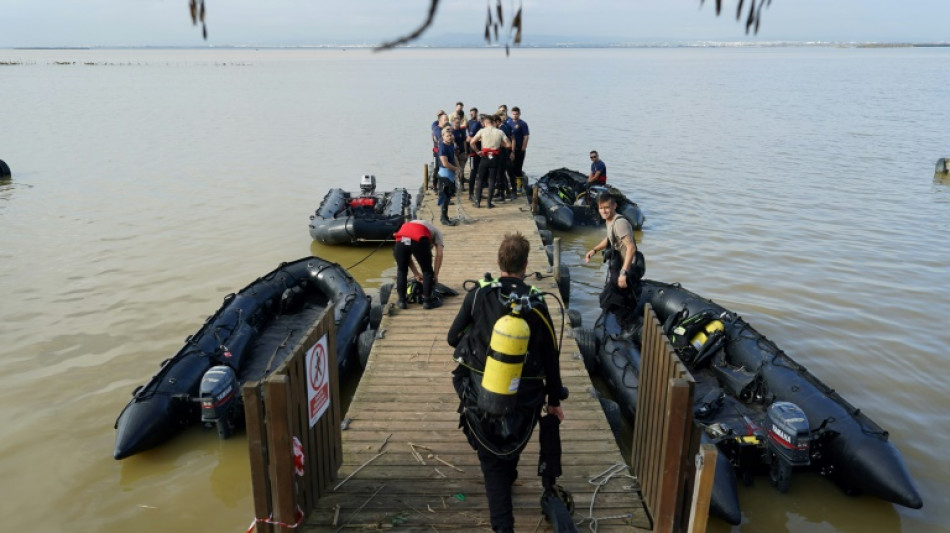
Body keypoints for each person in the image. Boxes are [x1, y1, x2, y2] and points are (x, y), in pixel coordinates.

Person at [447, 232, 565, 533]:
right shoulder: (536, 301)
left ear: (499, 262)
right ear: (525, 265)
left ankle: (503, 526)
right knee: (509, 445)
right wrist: (554, 402)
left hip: (480, 395)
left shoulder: (478, 295)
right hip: (524, 400)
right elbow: (550, 356)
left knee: (493, 466)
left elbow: (451, 338)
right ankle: (508, 470)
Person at [584, 191, 643, 314]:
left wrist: (623, 273)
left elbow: (631, 248)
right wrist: (594, 250)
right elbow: (609, 238)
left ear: (614, 206)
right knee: (608, 297)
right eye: (601, 208)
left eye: (606, 208)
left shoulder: (620, 223)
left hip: (628, 267)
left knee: (610, 299)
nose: (603, 211)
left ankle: (626, 322)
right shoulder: (609, 221)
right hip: (620, 264)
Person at [393, 219, 445, 310]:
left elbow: (407, 256)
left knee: (401, 270)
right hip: (419, 239)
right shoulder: (437, 232)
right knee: (427, 271)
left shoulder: (409, 223)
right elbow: (439, 254)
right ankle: (427, 302)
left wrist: (416, 274)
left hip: (401, 239)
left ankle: (402, 301)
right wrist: (435, 275)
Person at [469, 114, 511, 209]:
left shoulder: (482, 131)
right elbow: (509, 145)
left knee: (480, 180)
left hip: (484, 156)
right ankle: (489, 203)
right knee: (492, 180)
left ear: (485, 123)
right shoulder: (500, 132)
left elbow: (472, 142)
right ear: (493, 122)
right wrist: (500, 143)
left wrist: (477, 151)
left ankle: (477, 202)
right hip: (495, 157)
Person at [437, 127, 460, 226]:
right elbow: (445, 163)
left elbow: (454, 156)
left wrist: (458, 166)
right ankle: (443, 218)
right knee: (445, 196)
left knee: (449, 195)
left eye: (451, 135)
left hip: (450, 174)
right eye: (447, 136)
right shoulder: (442, 147)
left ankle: (446, 216)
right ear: (443, 136)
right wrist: (456, 169)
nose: (450, 137)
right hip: (444, 174)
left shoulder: (450, 144)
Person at [507, 106, 529, 197]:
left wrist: (523, 148)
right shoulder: (508, 123)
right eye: (513, 114)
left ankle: (519, 187)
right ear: (511, 114)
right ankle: (512, 186)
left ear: (519, 114)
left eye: (516, 114)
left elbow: (526, 136)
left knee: (518, 169)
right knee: (510, 168)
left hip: (519, 149)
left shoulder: (523, 124)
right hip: (510, 150)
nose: (515, 116)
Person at [466, 107, 482, 199]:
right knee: (473, 171)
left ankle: (478, 192)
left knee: (480, 172)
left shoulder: (483, 126)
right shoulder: (475, 125)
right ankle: (470, 194)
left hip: (481, 152)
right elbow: (469, 139)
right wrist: (478, 139)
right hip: (474, 151)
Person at [450, 114, 468, 191]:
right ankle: (454, 185)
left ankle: (461, 184)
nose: (457, 123)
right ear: (453, 122)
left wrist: (466, 151)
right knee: (455, 170)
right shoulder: (451, 131)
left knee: (462, 169)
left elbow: (464, 141)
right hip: (454, 153)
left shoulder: (462, 131)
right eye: (455, 122)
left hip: (462, 152)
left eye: (458, 122)